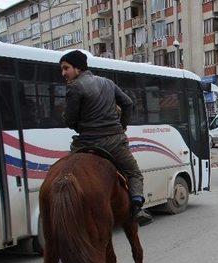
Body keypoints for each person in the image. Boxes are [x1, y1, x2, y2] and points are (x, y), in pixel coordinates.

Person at [59, 50, 153, 226]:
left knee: (65, 174)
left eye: (66, 68)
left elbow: (70, 120)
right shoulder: (108, 83)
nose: (63, 73)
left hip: (87, 143)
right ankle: (138, 207)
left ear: (78, 68)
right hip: (114, 142)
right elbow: (128, 103)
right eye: (62, 69)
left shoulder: (74, 87)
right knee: (133, 173)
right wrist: (122, 125)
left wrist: (79, 124)